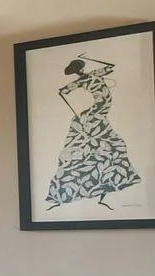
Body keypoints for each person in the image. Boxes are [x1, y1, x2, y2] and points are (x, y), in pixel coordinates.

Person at [46, 55, 142, 209]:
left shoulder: (92, 75)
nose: (81, 70)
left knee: (109, 146)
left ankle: (102, 185)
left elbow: (110, 68)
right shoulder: (84, 79)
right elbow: (64, 90)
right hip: (95, 112)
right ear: (80, 69)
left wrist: (105, 65)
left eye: (79, 68)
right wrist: (63, 90)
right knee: (110, 144)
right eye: (79, 68)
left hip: (99, 111)